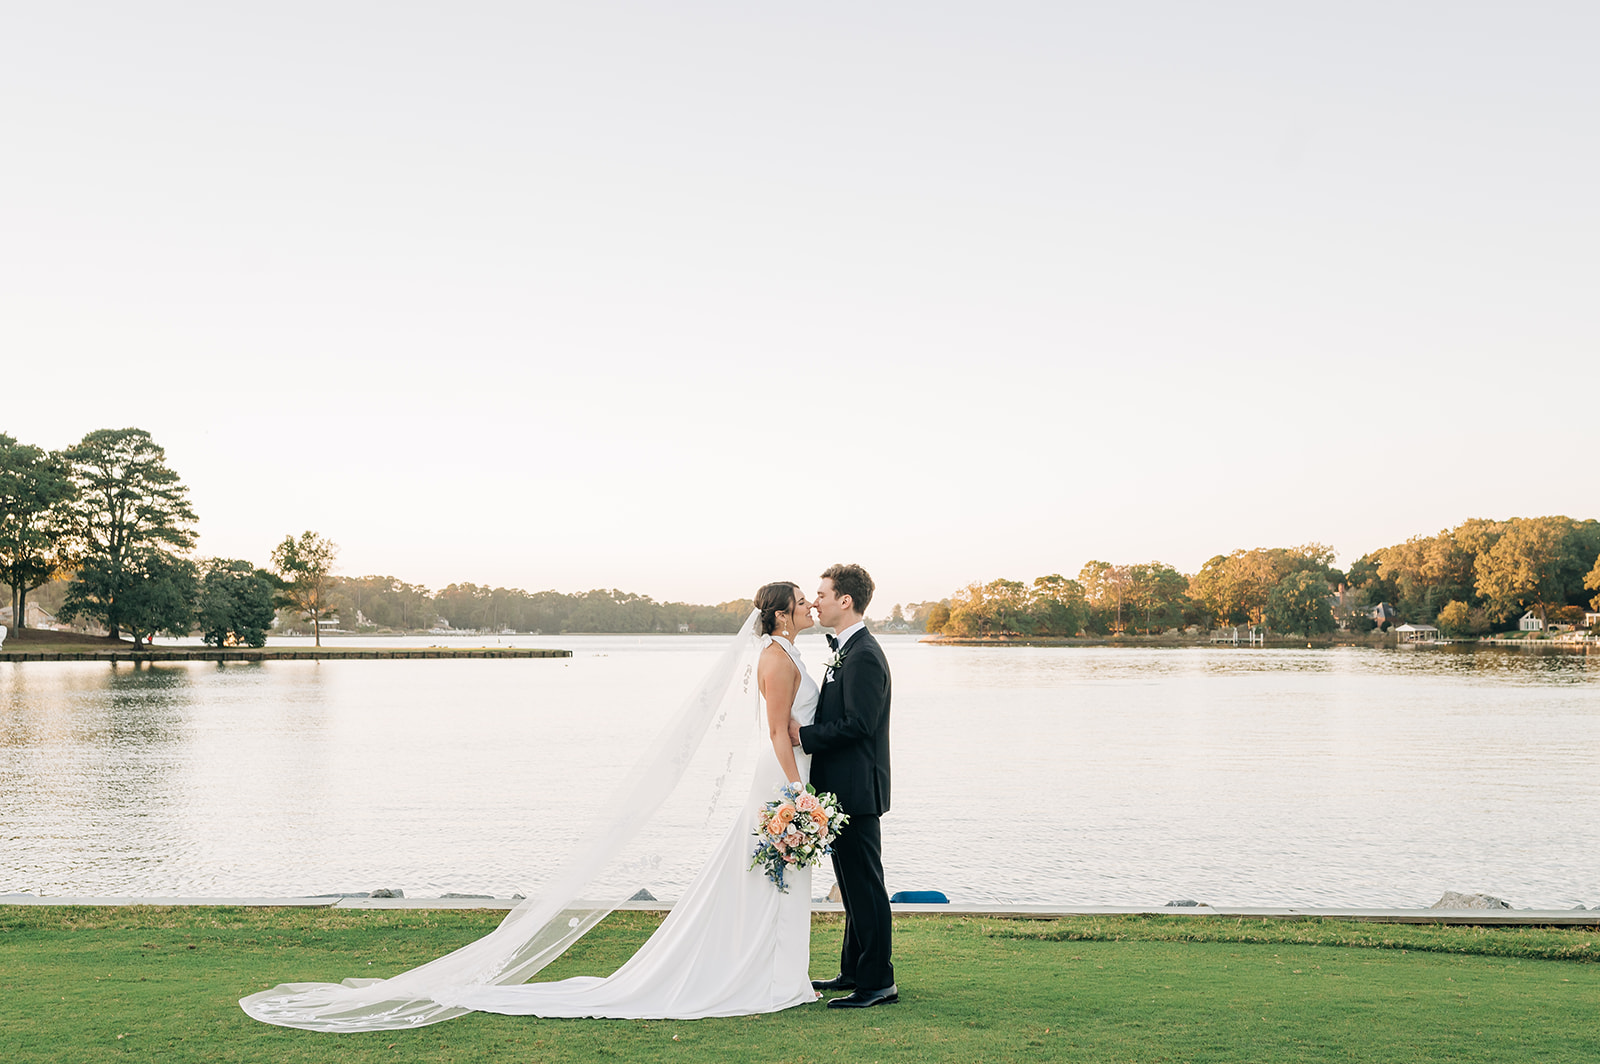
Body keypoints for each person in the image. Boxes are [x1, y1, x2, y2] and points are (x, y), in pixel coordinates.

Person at [242, 581, 825, 1028]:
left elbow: (796, 726)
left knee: (777, 878)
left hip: (789, 775)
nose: (808, 606)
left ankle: (778, 974)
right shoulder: (774, 656)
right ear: (779, 613)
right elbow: (777, 731)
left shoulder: (792, 652)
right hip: (778, 781)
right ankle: (762, 977)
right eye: (801, 601)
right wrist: (795, 791)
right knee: (767, 875)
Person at [793, 563, 896, 1008]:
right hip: (840, 790)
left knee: (867, 887)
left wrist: (805, 736)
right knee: (851, 886)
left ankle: (878, 983)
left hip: (856, 790)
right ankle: (854, 970)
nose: (816, 601)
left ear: (845, 600)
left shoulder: (865, 655)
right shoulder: (846, 651)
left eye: (822, 593)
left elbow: (860, 724)